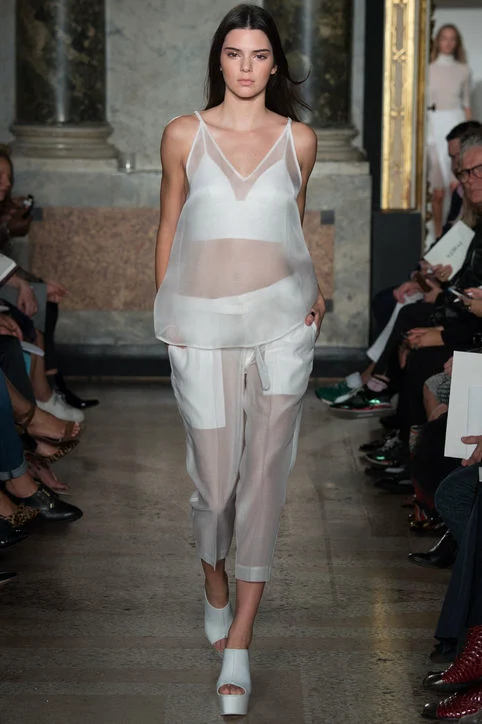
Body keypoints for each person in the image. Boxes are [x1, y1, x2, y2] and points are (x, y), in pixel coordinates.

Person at [153, 4, 325, 715]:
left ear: (275, 63)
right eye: (234, 53)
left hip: (283, 325)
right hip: (199, 327)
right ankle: (213, 577)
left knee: (264, 482)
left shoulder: (299, 140)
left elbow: (291, 229)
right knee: (215, 485)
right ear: (218, 61)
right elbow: (169, 221)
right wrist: (166, 314)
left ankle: (240, 646)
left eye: (258, 54)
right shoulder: (184, 134)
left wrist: (313, 292)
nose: (246, 66)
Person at [428, 24, 471, 239]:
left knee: (458, 187)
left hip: (456, 125)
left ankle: (453, 236)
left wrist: (472, 138)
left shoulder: (463, 70)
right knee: (437, 191)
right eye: (444, 38)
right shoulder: (427, 69)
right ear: (438, 41)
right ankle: (437, 236)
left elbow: (466, 104)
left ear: (457, 42)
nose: (448, 43)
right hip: (433, 127)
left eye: (452, 38)